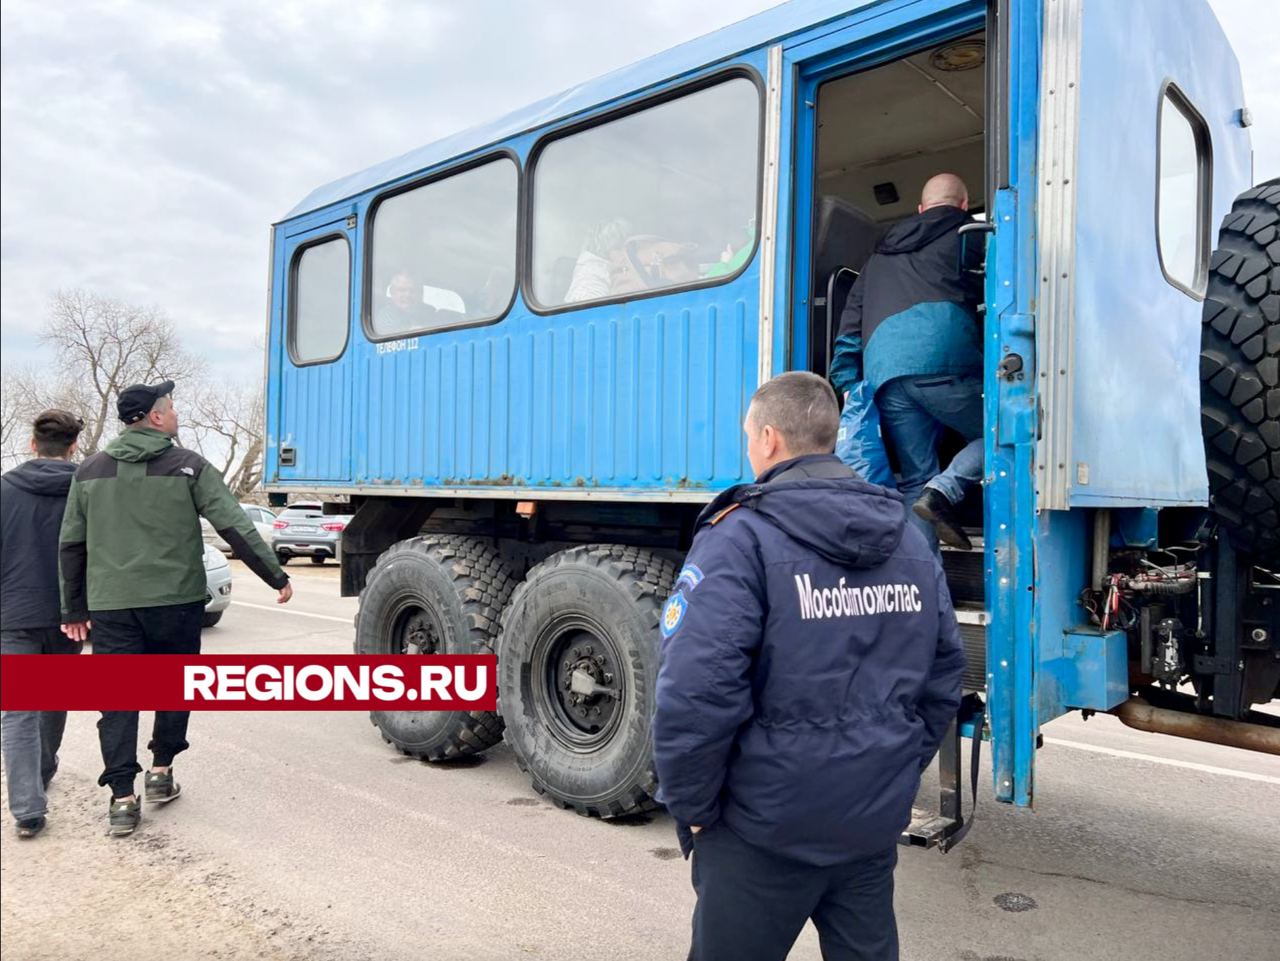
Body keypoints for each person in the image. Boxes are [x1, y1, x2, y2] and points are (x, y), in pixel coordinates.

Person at [653, 371, 965, 961]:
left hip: (761, 831)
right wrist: (889, 772)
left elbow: (694, 692)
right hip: (868, 827)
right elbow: (942, 679)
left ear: (768, 439)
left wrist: (692, 808)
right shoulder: (906, 541)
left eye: (749, 436)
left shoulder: (740, 536)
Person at [58, 380, 293, 837]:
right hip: (176, 602)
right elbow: (233, 522)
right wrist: (275, 576)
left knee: (117, 700)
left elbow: (71, 545)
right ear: (157, 417)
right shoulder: (188, 466)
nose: (177, 413)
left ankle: (122, 799)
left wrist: (73, 610)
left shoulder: (88, 472)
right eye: (172, 407)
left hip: (113, 606)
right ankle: (161, 772)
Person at [829, 172, 984, 550]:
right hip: (947, 365)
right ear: (964, 205)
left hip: (887, 377)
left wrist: (849, 384)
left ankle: (925, 578)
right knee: (1003, 435)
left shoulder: (878, 257)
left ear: (919, 209)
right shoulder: (971, 237)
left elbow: (849, 326)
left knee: (915, 478)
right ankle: (945, 491)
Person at [1, 410, 85, 838]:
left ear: (33, 444)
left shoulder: (3, 490)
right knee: (53, 699)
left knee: (17, 711)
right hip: (68, 617)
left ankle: (28, 809)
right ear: (73, 447)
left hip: (12, 616)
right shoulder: (86, 490)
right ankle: (43, 770)